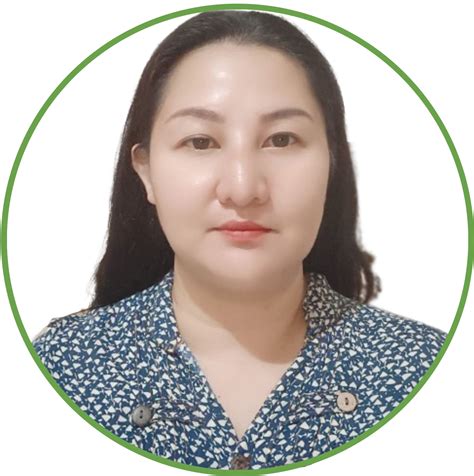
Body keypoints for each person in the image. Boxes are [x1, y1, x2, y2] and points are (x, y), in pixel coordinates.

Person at [32, 10, 447, 471]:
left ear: (332, 163)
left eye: (282, 139)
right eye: (200, 142)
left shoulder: (428, 370)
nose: (243, 188)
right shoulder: (59, 367)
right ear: (145, 171)